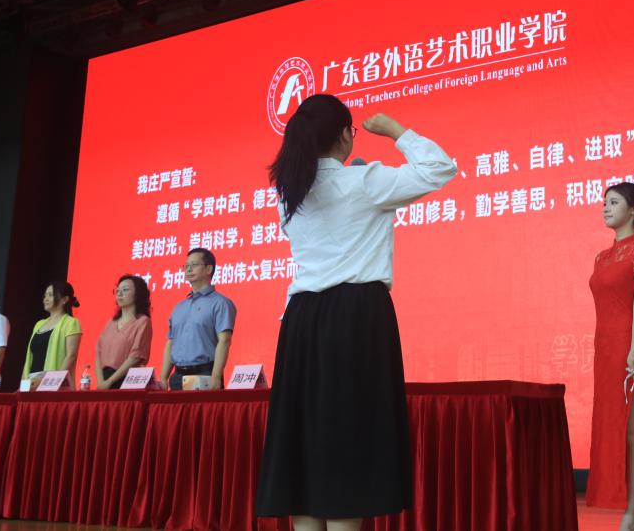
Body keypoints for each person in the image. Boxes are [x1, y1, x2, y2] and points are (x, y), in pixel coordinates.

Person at [255, 95, 456, 531]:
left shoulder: (290, 192)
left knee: (306, 439)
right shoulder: (365, 181)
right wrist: (396, 131)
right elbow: (440, 167)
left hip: (302, 319)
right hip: (354, 316)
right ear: (345, 134)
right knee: (348, 435)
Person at [587, 182, 634, 531]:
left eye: (614, 202)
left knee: (633, 430)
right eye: (605, 202)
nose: (605, 207)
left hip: (631, 347)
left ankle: (631, 514)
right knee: (613, 428)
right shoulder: (601, 257)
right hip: (605, 348)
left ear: (633, 210)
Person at [161, 248, 236, 390]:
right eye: (186, 266)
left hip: (204, 375)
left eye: (194, 265)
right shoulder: (179, 307)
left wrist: (216, 377)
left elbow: (224, 341)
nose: (188, 269)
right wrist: (163, 378)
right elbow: (171, 343)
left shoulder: (221, 303)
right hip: (177, 377)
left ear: (209, 269)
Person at [95, 275, 153, 389]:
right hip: (104, 380)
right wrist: (101, 381)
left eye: (125, 289)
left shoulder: (142, 321)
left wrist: (110, 381)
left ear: (137, 294)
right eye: (117, 290)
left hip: (126, 380)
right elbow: (98, 353)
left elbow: (135, 356)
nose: (119, 293)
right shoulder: (110, 323)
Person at [22, 281, 83, 383]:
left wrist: (52, 380)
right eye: (45, 295)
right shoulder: (39, 324)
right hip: (32, 382)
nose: (45, 299)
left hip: (54, 383)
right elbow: (29, 357)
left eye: (50, 295)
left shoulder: (71, 323)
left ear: (64, 299)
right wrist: (23, 382)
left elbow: (71, 355)